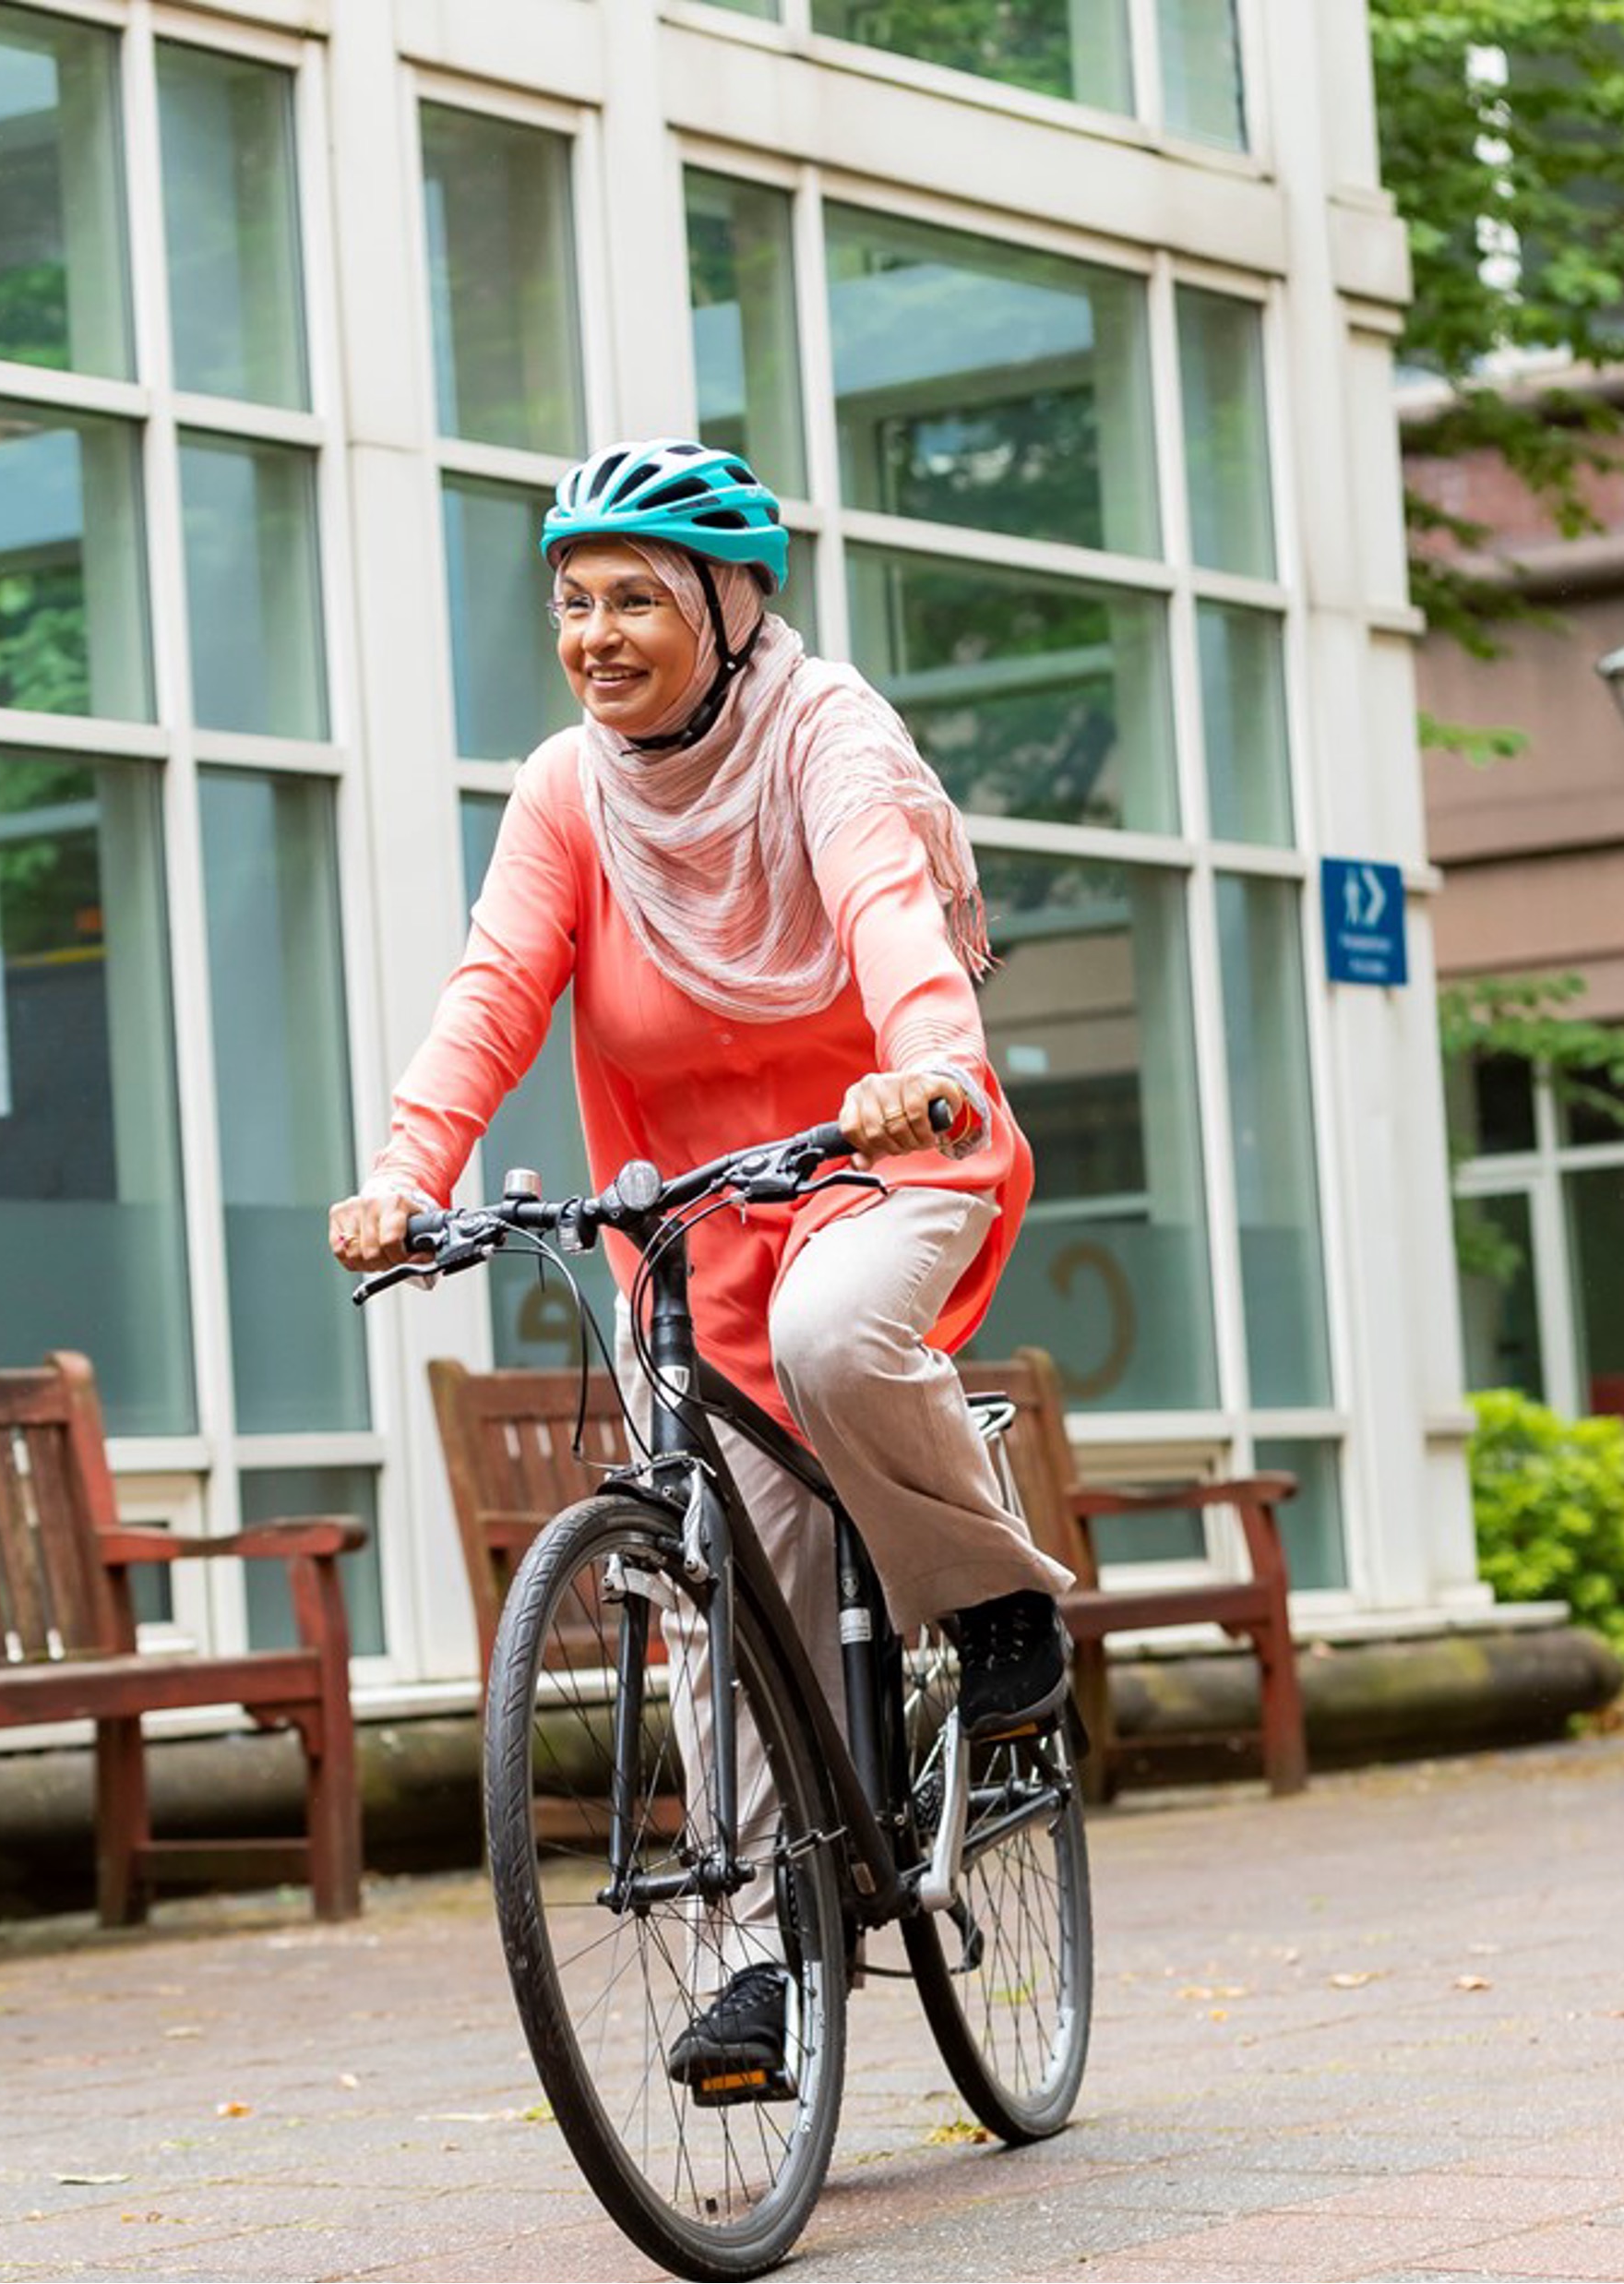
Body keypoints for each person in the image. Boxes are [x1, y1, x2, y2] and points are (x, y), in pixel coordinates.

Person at [328, 437, 1072, 2099]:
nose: (593, 633)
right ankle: (763, 1954)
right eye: (572, 601)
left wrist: (922, 1059)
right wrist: (402, 1177)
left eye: (635, 598)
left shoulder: (828, 740)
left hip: (892, 1152)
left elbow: (889, 913)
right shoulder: (566, 789)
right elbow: (494, 987)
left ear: (732, 607)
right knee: (723, 1572)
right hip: (694, 1217)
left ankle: (995, 1595)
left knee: (830, 1333)